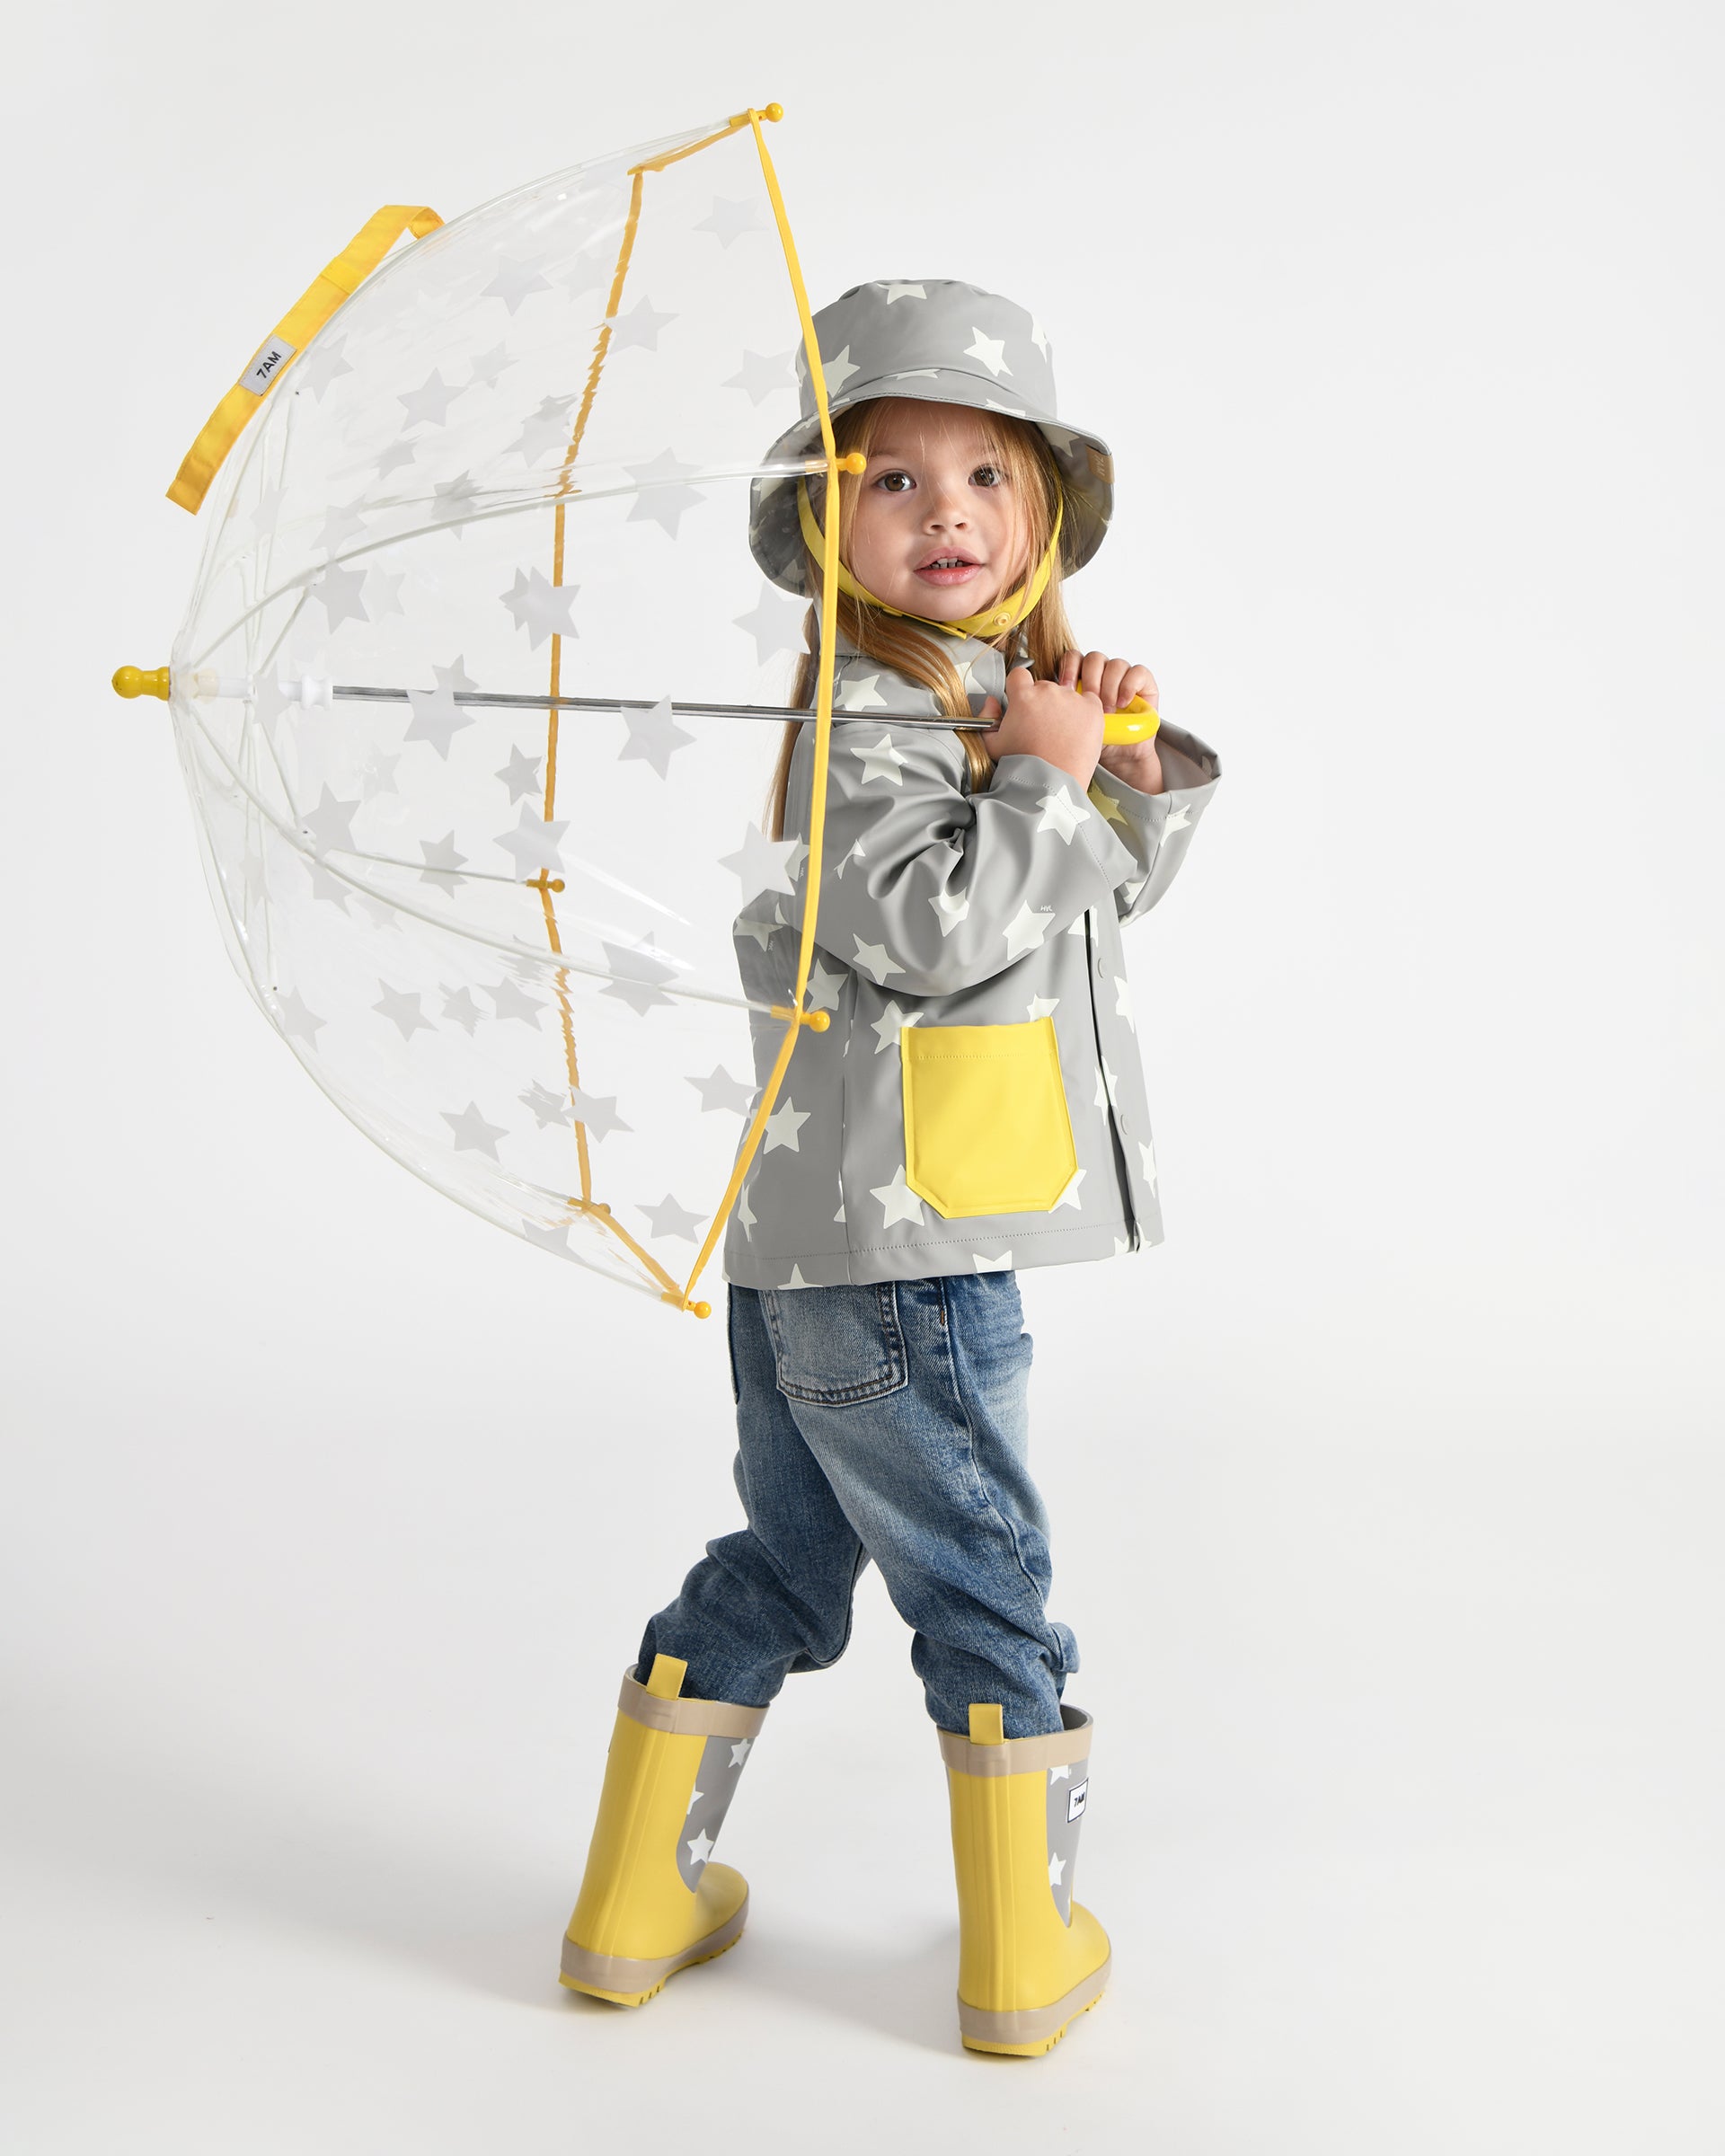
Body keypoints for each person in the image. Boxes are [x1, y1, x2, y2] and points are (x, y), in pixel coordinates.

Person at [559, 281, 1222, 2056]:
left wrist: (1110, 762)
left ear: (1045, 510)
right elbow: (936, 932)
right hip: (907, 1257)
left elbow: (1096, 896)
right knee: (985, 1578)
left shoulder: (988, 695)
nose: (947, 512)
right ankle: (1023, 1953)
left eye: (988, 476)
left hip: (830, 1248)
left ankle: (634, 1903)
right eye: (894, 478)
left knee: (787, 1566)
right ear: (823, 523)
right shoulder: (871, 713)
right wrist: (1040, 785)